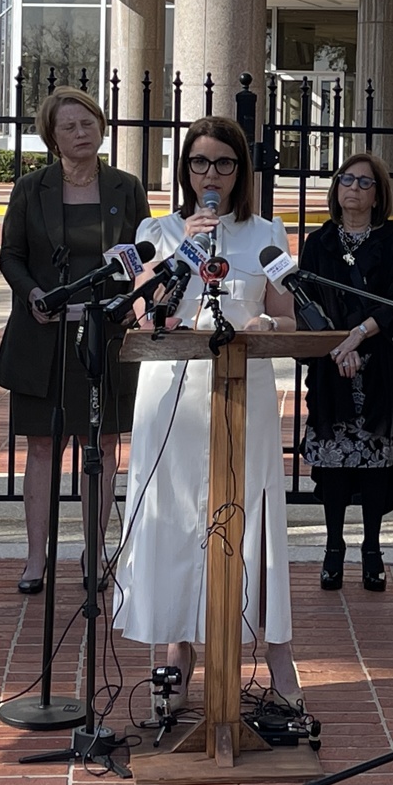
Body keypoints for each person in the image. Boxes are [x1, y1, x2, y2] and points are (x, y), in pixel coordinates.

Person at [115, 116, 304, 709]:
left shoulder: (265, 232)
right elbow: (146, 320)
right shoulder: (159, 230)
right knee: (174, 516)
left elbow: (291, 319)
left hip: (241, 387)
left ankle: (274, 653)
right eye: (200, 163)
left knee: (249, 514)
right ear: (186, 171)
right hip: (174, 392)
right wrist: (182, 253)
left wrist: (266, 323)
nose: (211, 175)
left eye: (224, 163)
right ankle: (176, 652)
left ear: (240, 171)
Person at [0, 86, 149, 594]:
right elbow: (10, 256)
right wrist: (34, 293)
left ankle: (93, 552)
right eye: (70, 127)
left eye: (89, 124)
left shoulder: (127, 188)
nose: (82, 134)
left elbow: (142, 257)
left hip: (104, 336)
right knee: (42, 447)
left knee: (101, 444)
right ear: (52, 137)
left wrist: (135, 303)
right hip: (43, 338)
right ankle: (36, 559)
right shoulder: (30, 188)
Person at [297, 151, 393, 592]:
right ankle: (333, 547)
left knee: (376, 460)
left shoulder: (392, 241)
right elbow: (308, 302)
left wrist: (358, 337)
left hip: (380, 365)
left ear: (378, 196)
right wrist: (338, 345)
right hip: (331, 362)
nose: (353, 189)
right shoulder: (318, 243)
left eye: (364, 183)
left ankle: (371, 549)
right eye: (346, 180)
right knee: (332, 461)